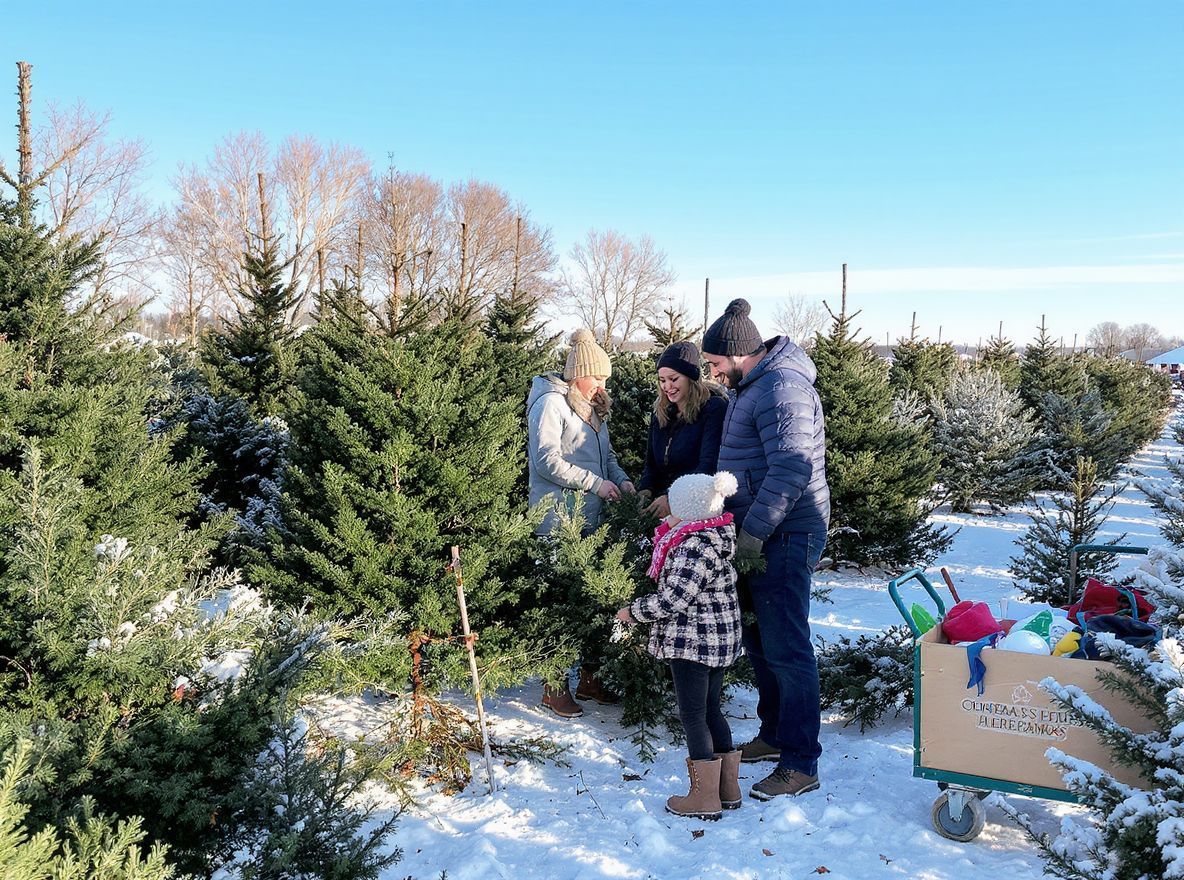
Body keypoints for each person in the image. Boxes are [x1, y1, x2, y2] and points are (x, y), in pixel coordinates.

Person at [700, 298, 830, 801]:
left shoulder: (782, 388)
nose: (710, 373)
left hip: (785, 532)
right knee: (759, 641)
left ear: (737, 354)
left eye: (714, 364)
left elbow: (791, 469)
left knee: (788, 647)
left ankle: (801, 761)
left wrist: (751, 535)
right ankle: (774, 734)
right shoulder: (752, 386)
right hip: (756, 530)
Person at [616, 471, 743, 820]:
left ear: (687, 508)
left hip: (694, 643)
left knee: (693, 714)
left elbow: (674, 598)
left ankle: (703, 798)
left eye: (673, 502)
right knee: (711, 709)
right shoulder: (714, 536)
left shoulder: (693, 546)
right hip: (716, 640)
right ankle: (727, 789)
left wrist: (634, 612)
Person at [527, 328, 634, 717]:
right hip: (558, 520)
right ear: (578, 374)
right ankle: (553, 686)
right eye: (598, 378)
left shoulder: (594, 411)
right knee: (559, 601)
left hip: (593, 519)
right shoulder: (550, 405)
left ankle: (591, 677)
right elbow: (547, 461)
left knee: (593, 598)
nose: (602, 385)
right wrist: (597, 484)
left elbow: (607, 460)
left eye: (606, 378)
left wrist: (620, 480)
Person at [637, 340, 728, 520]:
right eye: (662, 380)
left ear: (690, 377)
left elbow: (707, 466)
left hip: (696, 507)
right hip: (660, 506)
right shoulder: (661, 413)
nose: (667, 387)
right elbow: (651, 463)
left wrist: (672, 497)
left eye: (674, 379)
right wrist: (645, 490)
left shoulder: (713, 409)